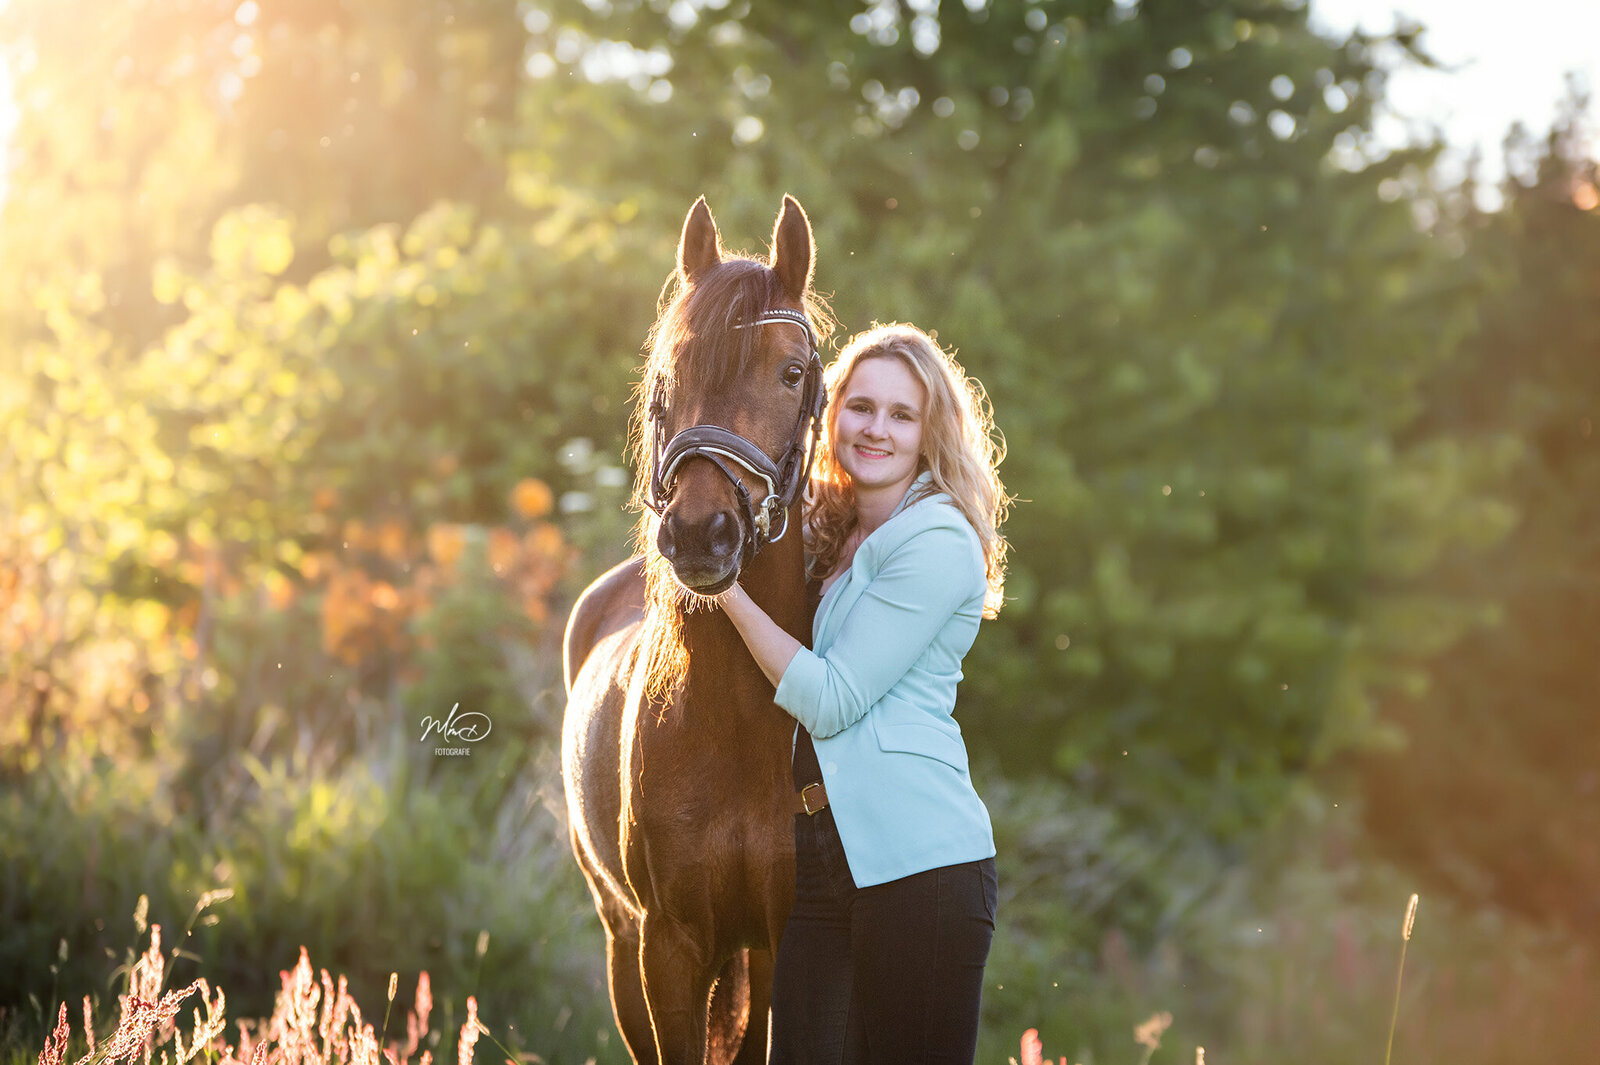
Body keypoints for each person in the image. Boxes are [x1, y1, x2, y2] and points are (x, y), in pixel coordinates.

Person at [715, 322, 1011, 1064]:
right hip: (819, 858)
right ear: (831, 412)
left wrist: (723, 590)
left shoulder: (938, 540)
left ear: (928, 432)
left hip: (921, 869)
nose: (876, 428)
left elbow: (833, 696)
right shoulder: (833, 533)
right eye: (861, 406)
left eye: (902, 414)